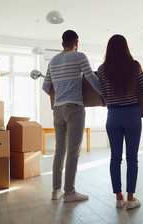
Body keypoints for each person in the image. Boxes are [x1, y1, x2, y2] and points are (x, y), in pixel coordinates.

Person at [97, 34, 143, 210]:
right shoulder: (134, 66)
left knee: (115, 159)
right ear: (126, 48)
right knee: (132, 159)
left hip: (113, 115)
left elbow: (104, 95)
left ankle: (118, 197)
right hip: (132, 114)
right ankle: (131, 199)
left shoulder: (102, 69)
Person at [42, 30, 102, 202]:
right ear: (77, 42)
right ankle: (69, 192)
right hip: (74, 108)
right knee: (73, 151)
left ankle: (55, 191)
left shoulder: (53, 60)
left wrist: (60, 89)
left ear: (62, 44)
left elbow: (46, 87)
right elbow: (91, 78)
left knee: (59, 151)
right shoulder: (79, 56)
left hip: (57, 110)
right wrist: (105, 95)